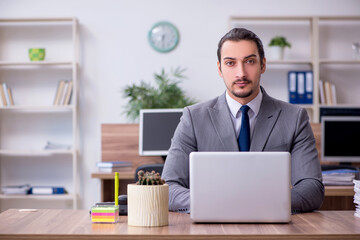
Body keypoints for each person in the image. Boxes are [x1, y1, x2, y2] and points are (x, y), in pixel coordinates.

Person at [162, 28, 324, 214]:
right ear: (219, 69)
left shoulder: (294, 117)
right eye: (230, 63)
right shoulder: (193, 117)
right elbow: (169, 187)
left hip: (272, 226)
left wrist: (258, 205)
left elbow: (312, 187)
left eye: (250, 61)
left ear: (263, 65)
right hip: (211, 227)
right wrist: (215, 204)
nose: (241, 73)